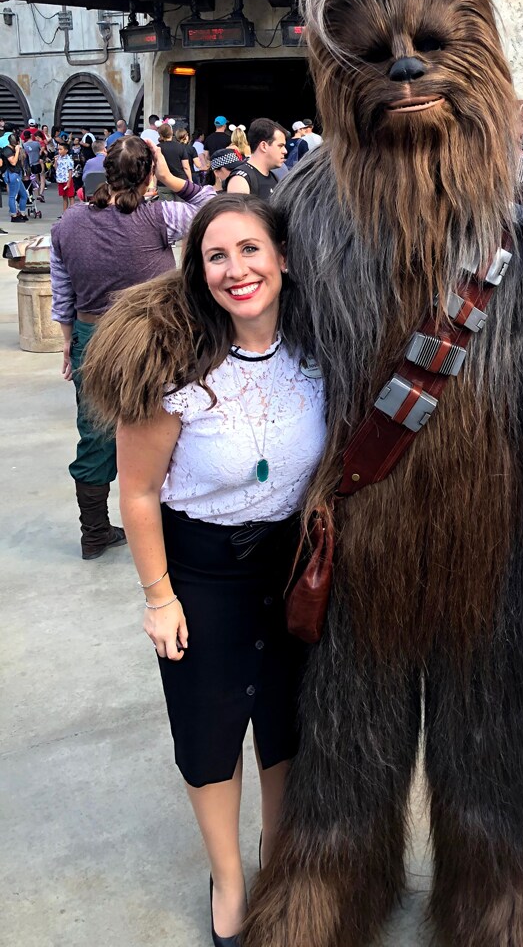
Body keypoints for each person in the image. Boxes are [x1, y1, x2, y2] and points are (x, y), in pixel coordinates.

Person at [79, 194, 327, 945]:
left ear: (283, 258)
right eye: (216, 256)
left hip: (289, 569)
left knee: (285, 726)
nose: (236, 269)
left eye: (251, 250)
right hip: (202, 572)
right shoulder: (174, 365)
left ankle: (279, 860)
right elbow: (140, 492)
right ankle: (228, 877)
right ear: (198, 270)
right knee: (211, 731)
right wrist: (160, 597)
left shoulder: (320, 351)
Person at [50, 136, 216, 560]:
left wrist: (69, 343)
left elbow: (62, 289)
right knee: (169, 425)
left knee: (96, 431)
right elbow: (215, 208)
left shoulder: (67, 224)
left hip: (94, 338)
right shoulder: (160, 215)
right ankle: (166, 525)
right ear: (148, 174)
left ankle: (94, 531)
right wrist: (173, 179)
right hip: (156, 335)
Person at [224, 118, 287, 200]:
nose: (285, 151)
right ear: (263, 146)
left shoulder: (274, 177)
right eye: (280, 146)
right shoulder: (241, 180)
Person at [157, 122, 192, 197]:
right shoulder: (180, 147)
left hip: (163, 183)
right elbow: (186, 167)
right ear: (172, 132)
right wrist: (190, 180)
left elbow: (154, 167)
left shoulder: (158, 148)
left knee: (166, 208)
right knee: (181, 207)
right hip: (180, 181)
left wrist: (153, 185)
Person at [1, 131, 29, 223]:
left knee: (24, 195)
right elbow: (13, 162)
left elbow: (22, 158)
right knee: (12, 196)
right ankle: (13, 215)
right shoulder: (7, 150)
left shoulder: (12, 149)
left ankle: (22, 213)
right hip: (12, 173)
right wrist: (17, 151)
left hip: (17, 173)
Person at [55, 139, 76, 212]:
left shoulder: (69, 160)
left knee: (71, 196)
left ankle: (72, 212)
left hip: (67, 180)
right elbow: (56, 168)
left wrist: (69, 182)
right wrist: (55, 161)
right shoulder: (59, 158)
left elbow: (70, 171)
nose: (59, 151)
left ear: (66, 150)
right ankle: (64, 212)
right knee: (64, 196)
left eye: (61, 149)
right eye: (58, 149)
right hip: (60, 179)